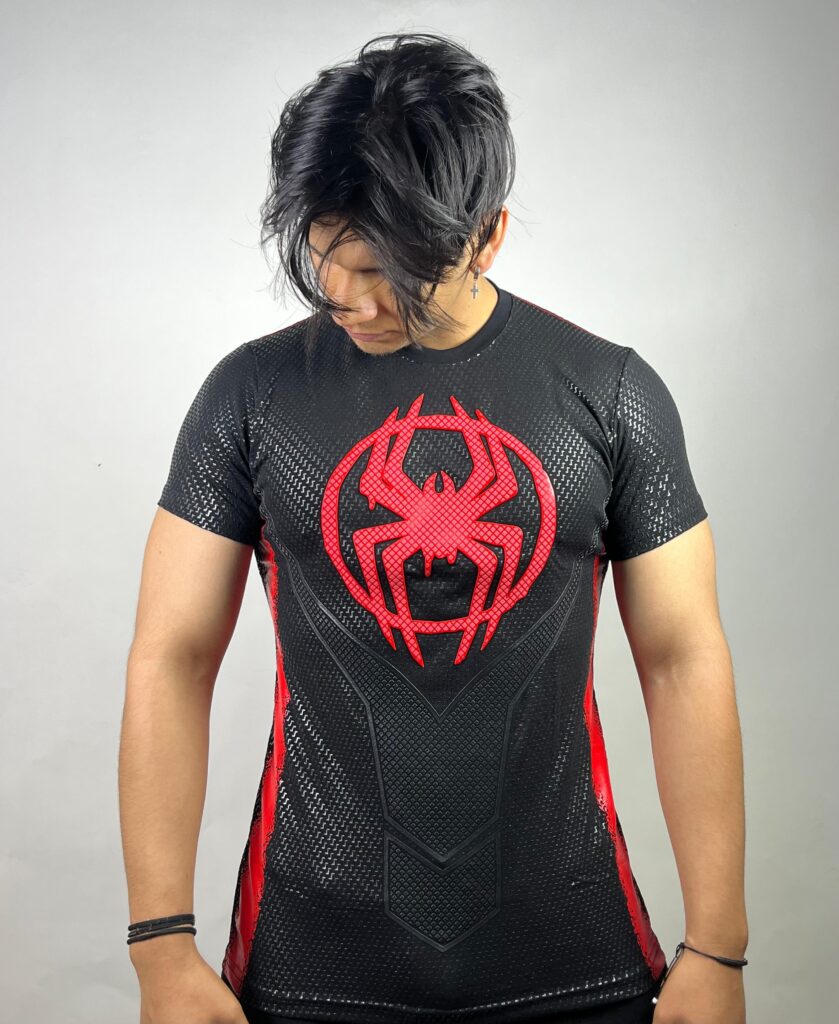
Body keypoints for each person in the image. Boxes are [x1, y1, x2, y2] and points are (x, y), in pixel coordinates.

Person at [119, 31, 748, 1024]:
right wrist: (159, 945)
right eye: (326, 257)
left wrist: (718, 947)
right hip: (308, 966)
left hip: (573, 964)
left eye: (389, 271)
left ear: (487, 236)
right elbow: (170, 656)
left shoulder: (610, 394)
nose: (350, 299)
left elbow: (680, 659)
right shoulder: (249, 397)